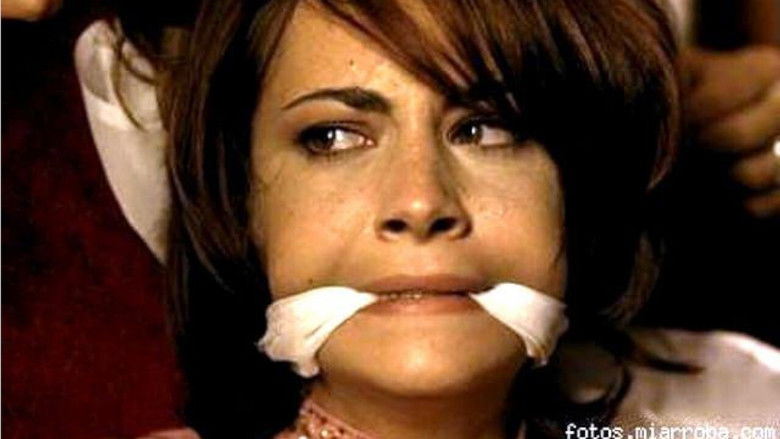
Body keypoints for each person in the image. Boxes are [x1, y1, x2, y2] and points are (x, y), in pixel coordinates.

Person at [74, 0, 780, 438]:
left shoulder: (736, 413)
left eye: (486, 129)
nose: (419, 203)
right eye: (333, 137)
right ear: (243, 209)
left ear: (575, 192)